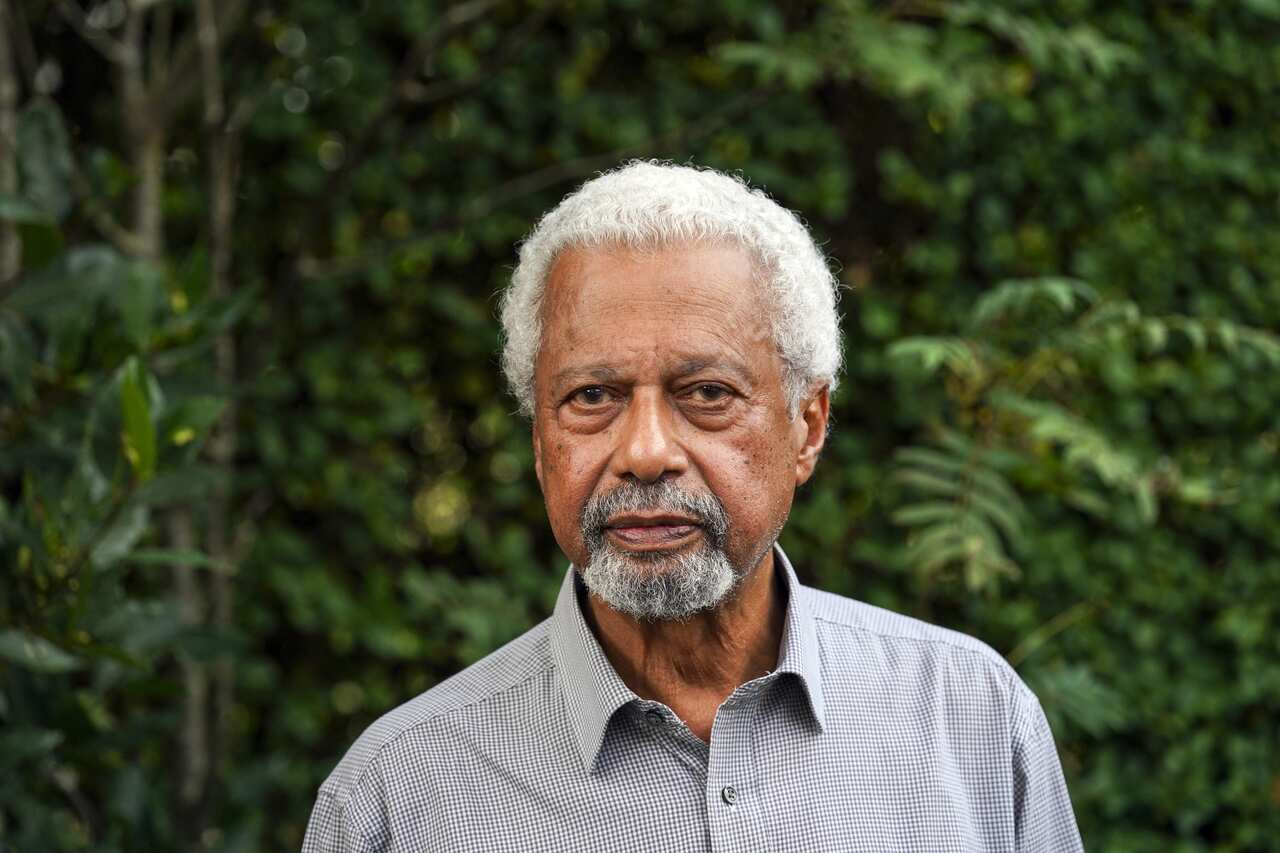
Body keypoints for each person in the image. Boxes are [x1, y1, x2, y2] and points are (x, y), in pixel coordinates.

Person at [302, 161, 1084, 852]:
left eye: (707, 393)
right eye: (592, 396)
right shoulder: (399, 800)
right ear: (540, 440)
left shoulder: (972, 719)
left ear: (806, 426)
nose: (645, 450)